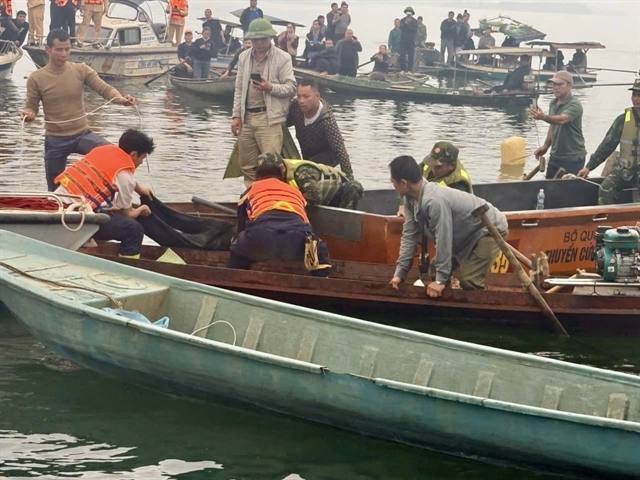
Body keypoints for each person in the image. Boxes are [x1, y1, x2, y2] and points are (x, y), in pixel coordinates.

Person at [21, 29, 136, 191]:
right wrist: (29, 115)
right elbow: (31, 107)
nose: (64, 54)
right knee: (54, 188)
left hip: (82, 135)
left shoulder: (81, 70)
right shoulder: (36, 78)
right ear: (48, 49)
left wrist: (121, 99)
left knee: (112, 154)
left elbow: (104, 89)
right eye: (59, 50)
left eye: (67, 49)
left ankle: (104, 193)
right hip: (55, 139)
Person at [389, 155, 508, 295]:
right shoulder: (410, 200)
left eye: (393, 181)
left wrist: (440, 281)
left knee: (470, 281)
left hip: (487, 229)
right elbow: (409, 235)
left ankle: (485, 304)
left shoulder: (434, 201)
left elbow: (443, 238)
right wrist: (400, 273)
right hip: (464, 234)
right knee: (435, 271)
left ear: (403, 183)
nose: (392, 185)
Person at [54, 129, 155, 258]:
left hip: (58, 204)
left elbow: (116, 175)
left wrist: (140, 190)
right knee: (134, 229)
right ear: (134, 155)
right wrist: (142, 209)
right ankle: (127, 265)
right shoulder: (126, 176)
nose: (141, 162)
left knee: (110, 214)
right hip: (75, 219)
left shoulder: (103, 150)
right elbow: (127, 214)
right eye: (142, 158)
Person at [228, 162, 331, 277]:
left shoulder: (251, 190)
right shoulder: (295, 192)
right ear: (281, 177)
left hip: (262, 235)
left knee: (236, 246)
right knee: (319, 247)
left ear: (258, 178)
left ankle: (237, 278)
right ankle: (321, 278)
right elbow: (305, 220)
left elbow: (241, 225)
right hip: (297, 238)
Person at [231, 19, 296, 187]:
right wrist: (236, 115)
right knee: (247, 165)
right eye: (256, 39)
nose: (259, 42)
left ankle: (270, 196)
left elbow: (292, 88)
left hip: (270, 119)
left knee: (271, 167)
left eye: (263, 39)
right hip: (247, 117)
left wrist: (270, 87)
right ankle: (252, 196)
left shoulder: (283, 58)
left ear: (270, 38)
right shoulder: (244, 57)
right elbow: (239, 88)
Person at [578, 79, 640, 205]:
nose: (636, 99)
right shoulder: (623, 119)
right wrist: (589, 167)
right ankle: (608, 216)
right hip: (624, 171)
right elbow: (607, 145)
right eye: (634, 95)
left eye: (639, 95)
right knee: (605, 188)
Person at [286, 77, 354, 178]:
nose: (301, 101)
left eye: (306, 97)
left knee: (305, 171)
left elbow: (340, 150)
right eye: (299, 96)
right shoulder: (296, 107)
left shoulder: (327, 120)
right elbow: (285, 122)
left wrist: (349, 176)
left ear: (317, 96)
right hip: (307, 152)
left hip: (327, 155)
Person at [530, 70, 586, 179]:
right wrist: (546, 146)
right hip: (555, 156)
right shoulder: (553, 103)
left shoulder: (575, 104)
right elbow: (553, 125)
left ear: (570, 85)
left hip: (573, 157)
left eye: (560, 84)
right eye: (554, 84)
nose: (556, 87)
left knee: (569, 188)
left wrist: (543, 117)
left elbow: (561, 120)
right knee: (549, 187)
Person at [258, 153, 363, 209]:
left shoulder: (301, 172)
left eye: (269, 172)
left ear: (282, 168)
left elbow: (314, 196)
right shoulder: (269, 176)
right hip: (319, 198)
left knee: (354, 186)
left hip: (338, 194)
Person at [398, 7, 418, 73]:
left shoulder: (415, 21)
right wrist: (406, 23)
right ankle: (402, 69)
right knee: (402, 55)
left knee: (411, 56)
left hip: (411, 41)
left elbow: (414, 29)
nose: (409, 13)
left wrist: (408, 25)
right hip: (403, 41)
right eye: (408, 12)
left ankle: (409, 69)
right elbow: (401, 28)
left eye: (410, 12)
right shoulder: (402, 20)